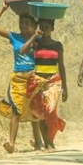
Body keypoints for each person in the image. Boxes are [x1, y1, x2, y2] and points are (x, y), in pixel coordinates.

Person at [0, 2, 42, 153]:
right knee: (16, 110)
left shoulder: (38, 39)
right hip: (18, 77)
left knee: (35, 109)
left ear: (34, 25)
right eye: (21, 23)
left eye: (27, 23)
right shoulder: (14, 37)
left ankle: (38, 142)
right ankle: (11, 143)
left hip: (33, 76)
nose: (23, 25)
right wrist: (3, 8)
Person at [19, 18, 68, 152]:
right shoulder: (36, 43)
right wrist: (34, 35)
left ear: (52, 29)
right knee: (40, 113)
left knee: (50, 111)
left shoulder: (58, 45)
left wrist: (65, 88)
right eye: (42, 27)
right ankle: (47, 143)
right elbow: (22, 51)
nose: (45, 29)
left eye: (47, 27)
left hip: (53, 81)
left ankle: (50, 141)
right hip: (38, 81)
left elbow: (61, 66)